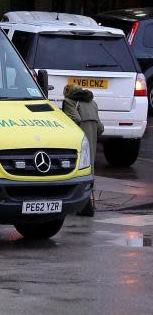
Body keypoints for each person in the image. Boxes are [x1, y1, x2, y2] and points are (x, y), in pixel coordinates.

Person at [62, 83, 103, 217]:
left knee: (77, 169)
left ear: (67, 92)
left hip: (79, 139)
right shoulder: (93, 103)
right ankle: (89, 205)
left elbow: (75, 119)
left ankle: (80, 204)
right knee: (89, 168)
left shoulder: (69, 102)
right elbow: (100, 128)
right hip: (92, 137)